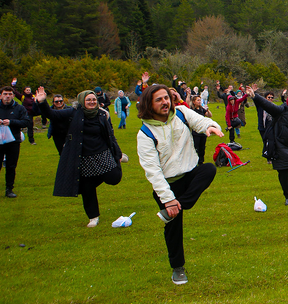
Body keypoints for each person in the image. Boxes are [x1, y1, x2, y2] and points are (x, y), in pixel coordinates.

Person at [137, 84, 222, 285]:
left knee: (208, 169)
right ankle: (178, 268)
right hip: (167, 185)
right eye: (159, 99)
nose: (165, 102)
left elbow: (200, 121)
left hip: (189, 176)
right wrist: (169, 200)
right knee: (174, 228)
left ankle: (182, 203)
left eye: (166, 98)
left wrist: (211, 126)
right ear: (149, 104)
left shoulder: (182, 113)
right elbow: (153, 172)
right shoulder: (145, 134)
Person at [37, 87, 123, 227]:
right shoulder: (73, 112)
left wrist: (117, 153)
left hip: (102, 153)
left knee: (114, 178)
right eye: (88, 99)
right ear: (82, 101)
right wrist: (42, 102)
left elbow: (110, 135)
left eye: (94, 99)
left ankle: (104, 171)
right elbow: (52, 115)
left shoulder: (102, 114)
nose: (92, 102)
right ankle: (93, 217)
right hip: (84, 157)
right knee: (86, 188)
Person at [247, 84, 288, 205]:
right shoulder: (281, 111)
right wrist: (255, 96)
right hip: (279, 144)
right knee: (283, 172)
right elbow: (268, 106)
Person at [0, 85, 30, 197]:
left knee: (11, 166)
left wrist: (12, 122)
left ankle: (9, 189)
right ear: (1, 95)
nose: (7, 96)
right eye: (5, 94)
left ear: (13, 95)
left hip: (13, 141)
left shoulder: (19, 108)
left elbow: (26, 122)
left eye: (10, 94)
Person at [11, 80, 38, 145]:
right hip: (24, 114)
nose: (28, 91)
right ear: (24, 91)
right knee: (19, 125)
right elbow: (15, 92)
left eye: (29, 90)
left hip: (31, 114)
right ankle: (17, 138)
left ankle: (31, 140)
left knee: (30, 127)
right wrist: (13, 85)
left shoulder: (33, 97)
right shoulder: (23, 97)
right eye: (27, 90)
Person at [189, 95, 212, 165]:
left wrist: (207, 110)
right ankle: (194, 161)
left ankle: (201, 161)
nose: (199, 101)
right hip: (195, 132)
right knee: (196, 147)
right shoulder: (192, 110)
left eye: (200, 100)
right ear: (193, 102)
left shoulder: (202, 109)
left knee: (202, 147)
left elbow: (209, 115)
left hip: (203, 131)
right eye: (198, 100)